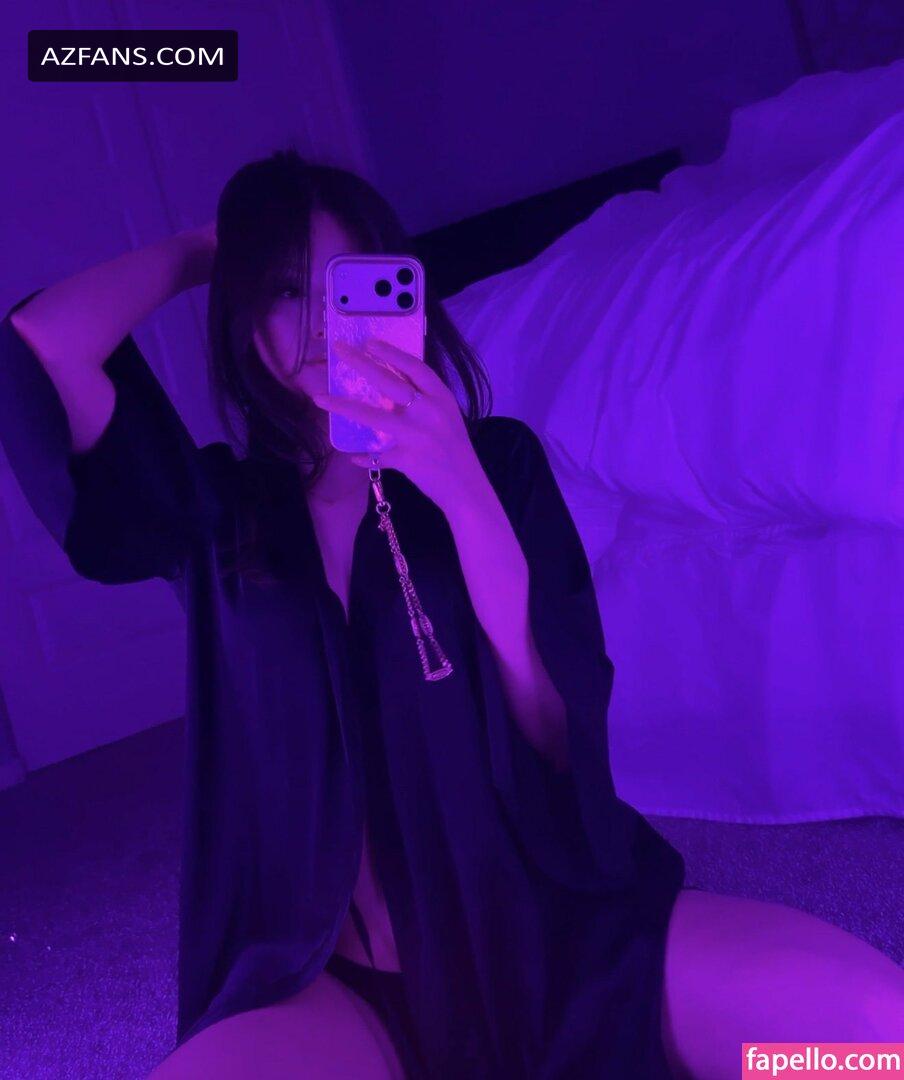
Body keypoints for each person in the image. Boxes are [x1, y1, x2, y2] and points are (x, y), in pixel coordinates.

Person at [0, 149, 900, 1080]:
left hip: (559, 936)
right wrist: (210, 249)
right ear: (245, 323)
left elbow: (551, 725)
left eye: (349, 285)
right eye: (286, 292)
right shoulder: (216, 514)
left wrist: (459, 485)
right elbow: (46, 340)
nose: (323, 321)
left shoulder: (497, 464)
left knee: (867, 1046)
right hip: (340, 986)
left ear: (405, 298)